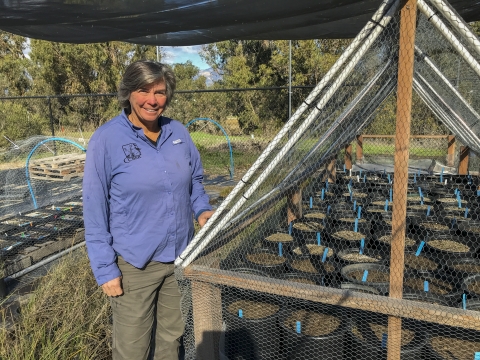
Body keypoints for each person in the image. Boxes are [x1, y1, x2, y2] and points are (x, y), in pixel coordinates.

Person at [83, 60, 214, 360]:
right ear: (128, 92)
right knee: (133, 350)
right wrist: (105, 269)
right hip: (134, 266)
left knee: (171, 340)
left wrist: (202, 211)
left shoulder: (177, 132)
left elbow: (193, 180)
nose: (152, 100)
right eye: (143, 91)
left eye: (160, 92)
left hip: (179, 258)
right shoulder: (107, 140)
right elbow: (94, 206)